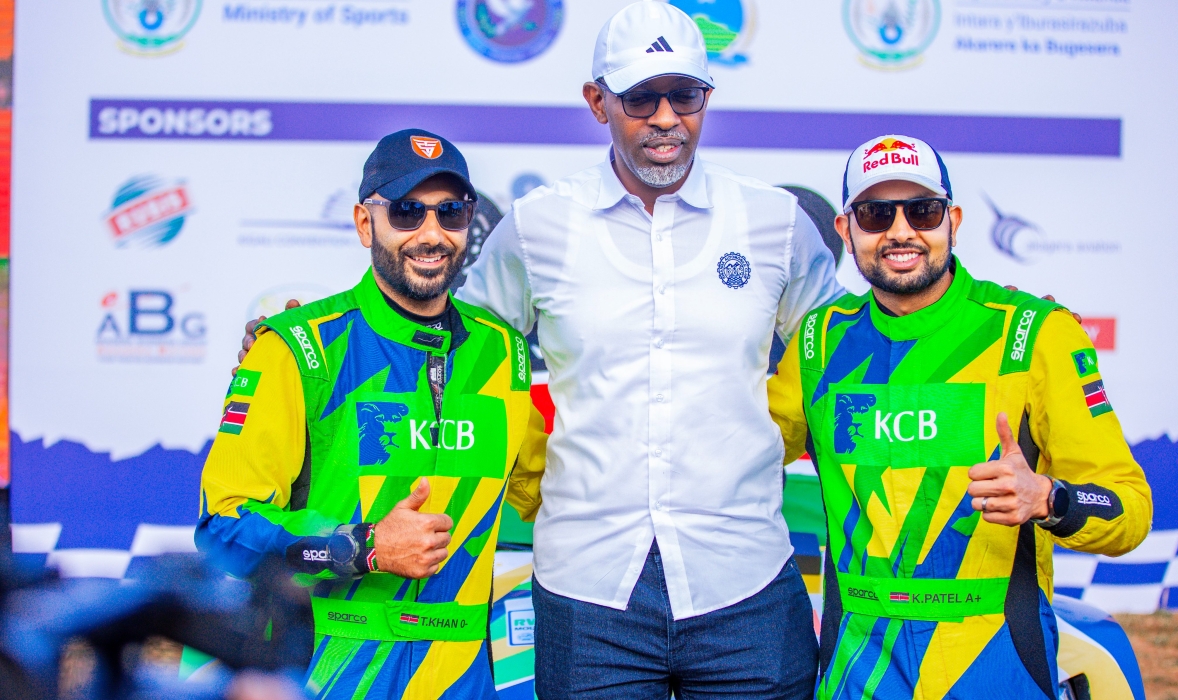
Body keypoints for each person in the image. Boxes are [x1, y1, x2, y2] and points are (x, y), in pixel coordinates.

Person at [452, 2, 839, 697]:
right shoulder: (538, 226)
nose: (666, 117)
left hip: (745, 581)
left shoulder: (774, 221)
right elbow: (456, 351)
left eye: (683, 95)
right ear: (597, 102)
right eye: (640, 98)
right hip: (587, 589)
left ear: (707, 98)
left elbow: (853, 353)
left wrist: (984, 326)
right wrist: (307, 354)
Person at [767, 134, 1152, 699]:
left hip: (996, 669)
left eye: (921, 210)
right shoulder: (819, 344)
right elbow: (739, 450)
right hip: (860, 674)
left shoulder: (1034, 333)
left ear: (954, 219)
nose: (901, 231)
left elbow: (1129, 509)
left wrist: (1049, 497)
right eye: (876, 214)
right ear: (847, 231)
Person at [197, 128, 546, 699]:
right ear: (366, 223)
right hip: (331, 673)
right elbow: (222, 532)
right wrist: (362, 547)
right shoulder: (298, 349)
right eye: (408, 212)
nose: (432, 233)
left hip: (464, 681)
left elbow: (545, 497)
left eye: (450, 212)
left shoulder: (501, 352)